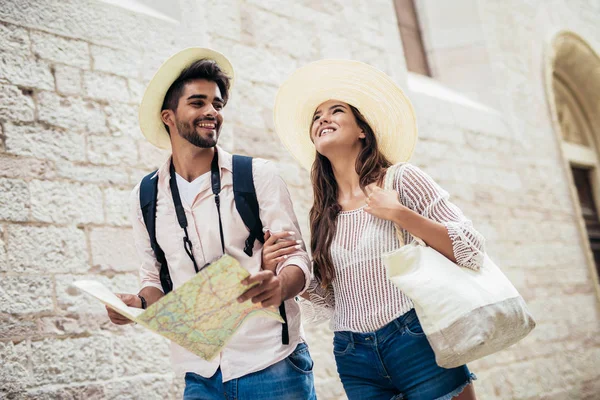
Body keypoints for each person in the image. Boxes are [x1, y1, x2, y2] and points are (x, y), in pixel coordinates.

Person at [265, 59, 484, 400]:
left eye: (336, 111)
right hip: (354, 355)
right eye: (316, 116)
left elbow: (470, 248)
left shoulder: (401, 179)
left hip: (415, 338)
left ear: (362, 130)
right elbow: (330, 301)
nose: (323, 118)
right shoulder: (323, 213)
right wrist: (285, 265)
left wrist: (400, 214)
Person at [105, 48, 316, 400]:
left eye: (217, 105)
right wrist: (137, 305)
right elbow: (154, 280)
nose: (211, 113)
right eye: (198, 102)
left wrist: (280, 287)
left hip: (272, 363)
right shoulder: (144, 197)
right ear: (168, 117)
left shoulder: (258, 175)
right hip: (199, 375)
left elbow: (297, 260)